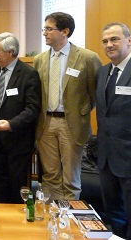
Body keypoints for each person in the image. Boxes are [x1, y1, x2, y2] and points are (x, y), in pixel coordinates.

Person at [33, 12, 102, 200]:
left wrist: (81, 112)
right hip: (45, 123)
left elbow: (96, 93)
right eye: (44, 28)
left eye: (49, 28)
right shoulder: (39, 60)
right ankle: (53, 219)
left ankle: (70, 222)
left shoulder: (87, 58)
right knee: (50, 176)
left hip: (71, 124)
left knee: (71, 178)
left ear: (65, 31)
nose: (44, 33)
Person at [0, 32, 41, 203]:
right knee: (0, 178)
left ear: (10, 52)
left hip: (18, 139)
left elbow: (32, 109)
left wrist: (11, 124)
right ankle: (2, 212)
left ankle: (17, 219)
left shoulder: (28, 74)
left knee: (17, 182)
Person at [96, 22, 131, 239]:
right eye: (105, 41)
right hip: (106, 158)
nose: (109, 45)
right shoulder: (102, 72)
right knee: (113, 212)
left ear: (129, 40)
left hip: (129, 157)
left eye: (114, 39)